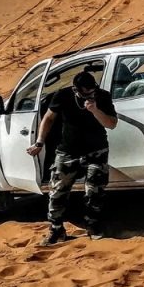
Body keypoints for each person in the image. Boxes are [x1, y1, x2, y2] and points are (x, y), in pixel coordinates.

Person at [27, 71, 117, 245]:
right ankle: (56, 229)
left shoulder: (103, 97)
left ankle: (93, 226)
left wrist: (95, 110)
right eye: (86, 93)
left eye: (92, 91)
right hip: (68, 151)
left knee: (95, 191)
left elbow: (111, 124)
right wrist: (39, 143)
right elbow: (48, 118)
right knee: (58, 192)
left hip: (96, 150)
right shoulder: (62, 96)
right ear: (76, 90)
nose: (90, 95)